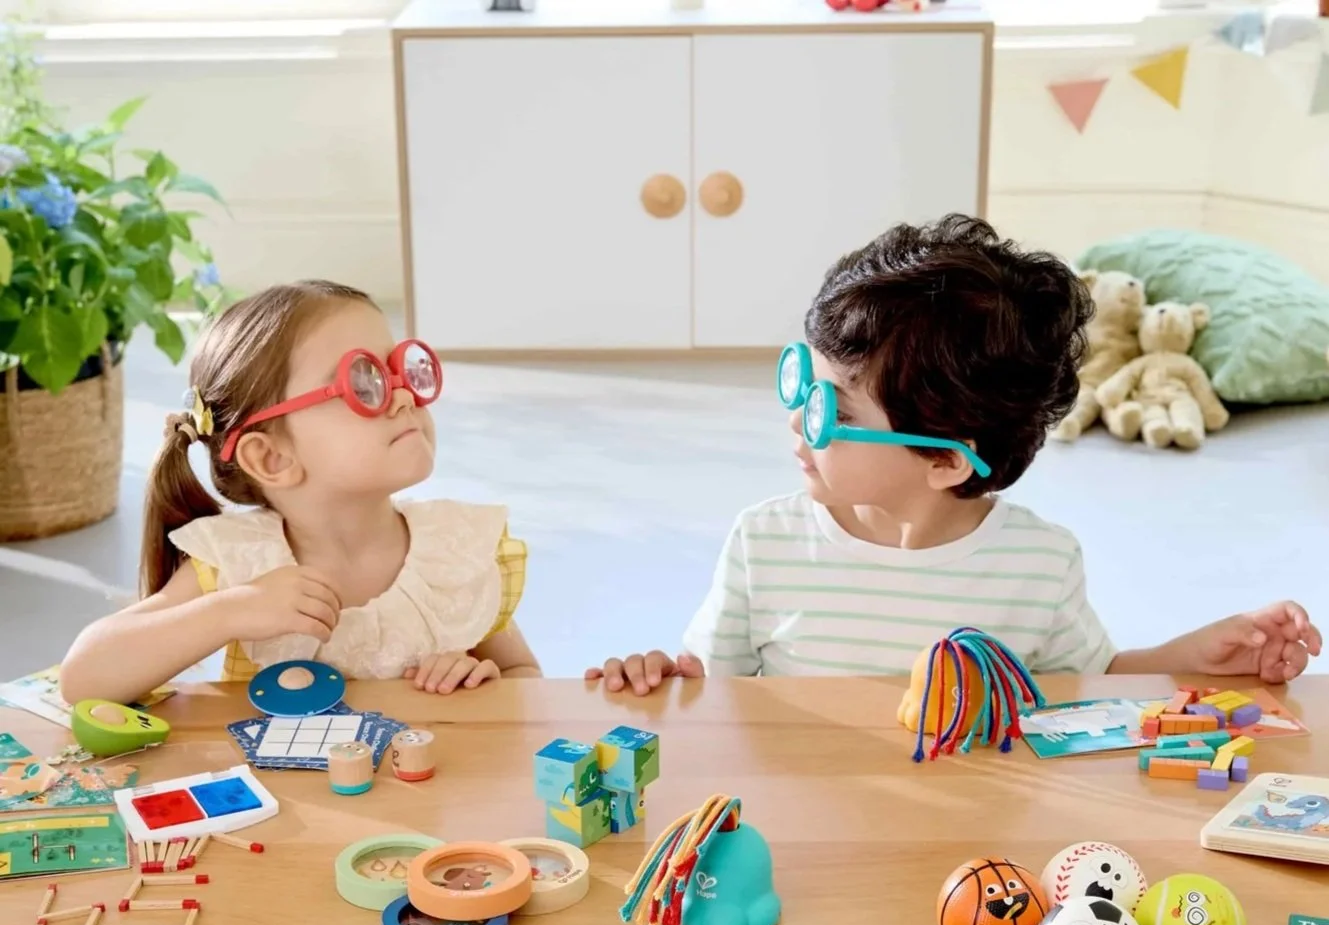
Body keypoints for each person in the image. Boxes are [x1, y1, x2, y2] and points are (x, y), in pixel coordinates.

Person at [587, 215, 1319, 695]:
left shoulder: (1038, 561)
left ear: (944, 462)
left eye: (832, 411)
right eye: (801, 380)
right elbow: (708, 691)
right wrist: (653, 674)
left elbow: (1084, 682)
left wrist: (1196, 654)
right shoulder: (763, 542)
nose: (795, 420)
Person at [61, 280, 540, 703]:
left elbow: (527, 682)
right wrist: (229, 612)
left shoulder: (454, 551)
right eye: (363, 381)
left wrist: (481, 679)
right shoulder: (239, 565)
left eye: (398, 369)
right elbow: (84, 679)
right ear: (272, 458)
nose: (402, 395)